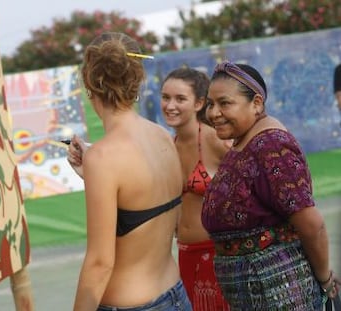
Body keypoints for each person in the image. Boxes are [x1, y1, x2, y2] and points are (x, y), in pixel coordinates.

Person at [67, 32, 192, 310]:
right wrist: (95, 175)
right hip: (175, 294)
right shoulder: (162, 136)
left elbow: (99, 264)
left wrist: (98, 168)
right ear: (136, 80)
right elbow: (164, 218)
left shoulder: (103, 158)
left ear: (91, 85)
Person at [201, 60, 340, 310]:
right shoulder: (244, 141)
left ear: (256, 103)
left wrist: (325, 280)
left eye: (225, 103)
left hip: (275, 289)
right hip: (253, 290)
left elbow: (312, 224)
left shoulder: (271, 146)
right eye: (210, 104)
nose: (213, 113)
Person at [160, 67, 230, 310]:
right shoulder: (167, 146)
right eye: (165, 97)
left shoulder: (215, 140)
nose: (170, 105)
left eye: (180, 99)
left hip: (219, 256)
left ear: (199, 102)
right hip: (185, 256)